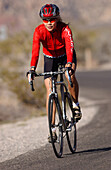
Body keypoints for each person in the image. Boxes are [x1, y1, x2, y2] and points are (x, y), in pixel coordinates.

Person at [27, 4, 82, 141]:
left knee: (69, 75)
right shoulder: (39, 31)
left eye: (52, 19)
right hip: (49, 58)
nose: (49, 22)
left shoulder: (65, 29)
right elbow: (35, 51)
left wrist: (69, 63)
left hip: (65, 56)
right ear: (42, 20)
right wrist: (32, 69)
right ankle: (52, 129)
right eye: (45, 20)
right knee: (50, 89)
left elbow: (70, 47)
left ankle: (75, 104)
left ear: (57, 18)